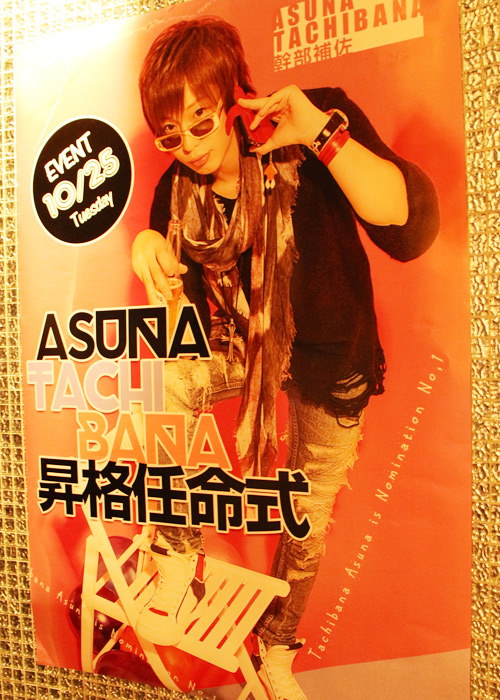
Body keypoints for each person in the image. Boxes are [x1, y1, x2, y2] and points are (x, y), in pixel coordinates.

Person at [131, 16, 439, 700]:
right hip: (245, 349)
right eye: (171, 134)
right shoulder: (177, 191)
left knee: (307, 517)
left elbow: (408, 226)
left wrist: (324, 135)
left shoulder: (308, 125)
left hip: (329, 358)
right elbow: (178, 300)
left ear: (235, 94)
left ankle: (275, 649)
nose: (190, 147)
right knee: (169, 379)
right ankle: (176, 559)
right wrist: (148, 248)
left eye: (201, 122)